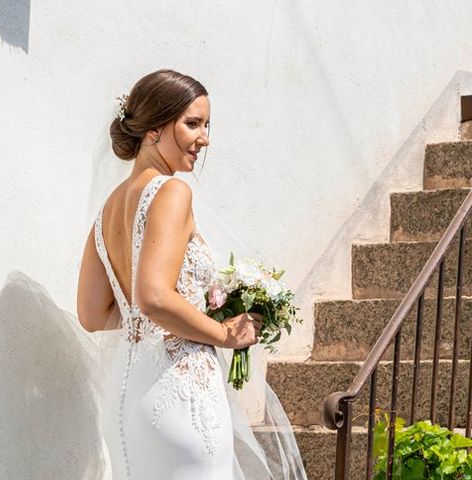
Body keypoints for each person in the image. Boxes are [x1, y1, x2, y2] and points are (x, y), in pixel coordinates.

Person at [76, 69, 307, 479]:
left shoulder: (106, 212)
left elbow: (93, 315)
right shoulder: (171, 191)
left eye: (206, 125)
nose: (205, 138)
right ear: (152, 129)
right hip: (179, 393)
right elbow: (154, 296)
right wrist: (224, 333)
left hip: (128, 397)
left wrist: (156, 322)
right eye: (192, 123)